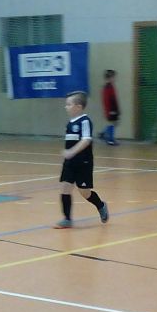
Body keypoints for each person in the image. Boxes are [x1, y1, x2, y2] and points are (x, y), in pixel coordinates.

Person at [54, 91, 110, 229]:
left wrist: (72, 151)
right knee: (65, 188)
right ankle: (67, 219)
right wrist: (68, 155)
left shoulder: (85, 121)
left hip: (83, 163)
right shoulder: (69, 124)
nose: (66, 107)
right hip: (69, 163)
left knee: (84, 192)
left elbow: (86, 140)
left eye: (68, 104)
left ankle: (101, 205)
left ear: (78, 106)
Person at [98, 70, 119, 145]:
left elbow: (114, 98)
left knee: (114, 123)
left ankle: (103, 134)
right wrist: (110, 110)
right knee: (113, 123)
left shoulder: (111, 86)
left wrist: (117, 109)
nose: (114, 78)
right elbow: (107, 100)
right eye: (113, 77)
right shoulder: (107, 87)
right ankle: (110, 140)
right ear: (109, 78)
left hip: (113, 108)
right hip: (111, 109)